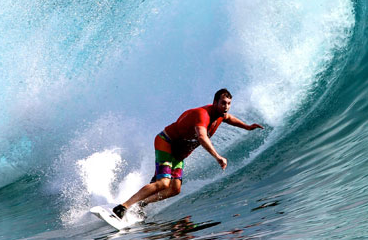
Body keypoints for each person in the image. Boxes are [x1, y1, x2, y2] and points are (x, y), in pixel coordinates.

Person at [112, 88, 263, 219]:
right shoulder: (202, 115)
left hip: (179, 153)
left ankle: (141, 205)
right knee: (163, 183)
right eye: (223, 103)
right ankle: (122, 207)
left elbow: (229, 118)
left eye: (229, 103)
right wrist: (218, 157)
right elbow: (202, 137)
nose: (226, 107)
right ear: (215, 102)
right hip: (166, 142)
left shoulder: (221, 114)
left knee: (174, 189)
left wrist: (247, 127)